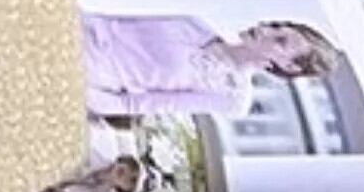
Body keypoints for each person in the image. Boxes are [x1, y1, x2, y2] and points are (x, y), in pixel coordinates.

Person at [80, 11, 344, 117]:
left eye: (280, 40)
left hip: (84, 75)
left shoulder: (231, 97)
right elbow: (107, 17)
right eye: (276, 25)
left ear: (288, 66)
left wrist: (76, 91)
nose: (265, 29)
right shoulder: (196, 22)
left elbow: (132, 105)